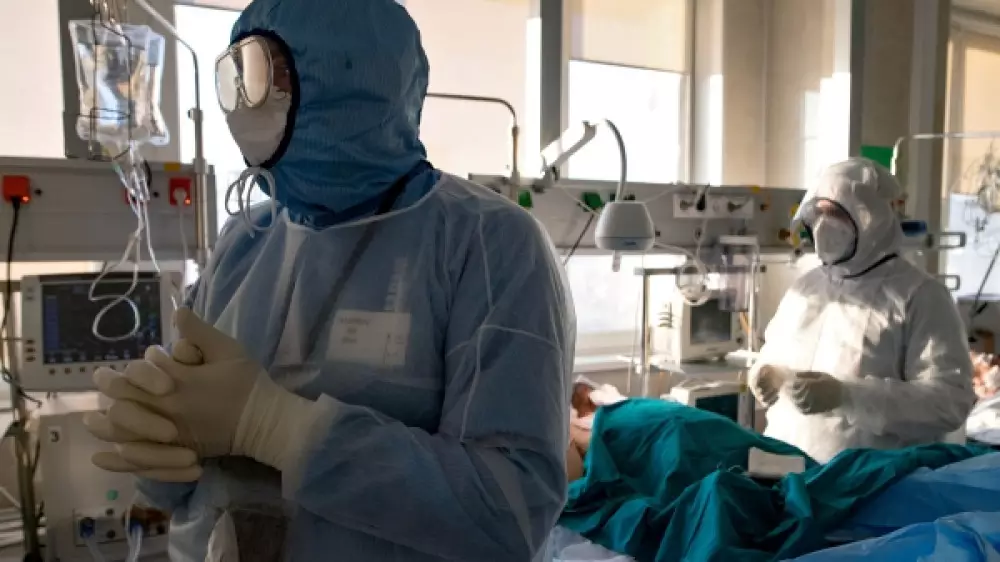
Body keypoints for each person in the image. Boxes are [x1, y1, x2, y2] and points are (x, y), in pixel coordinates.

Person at [81, 0, 575, 560]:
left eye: (265, 75)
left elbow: (511, 512)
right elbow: (191, 446)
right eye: (236, 77)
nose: (245, 103)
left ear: (351, 77)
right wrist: (160, 442)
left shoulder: (488, 244)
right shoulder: (245, 239)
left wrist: (278, 428)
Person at [748, 157, 976, 463]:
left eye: (836, 214)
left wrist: (848, 396)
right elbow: (775, 352)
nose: (824, 224)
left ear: (873, 218)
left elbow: (948, 402)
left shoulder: (920, 296)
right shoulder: (805, 288)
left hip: (869, 481)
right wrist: (765, 372)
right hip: (785, 468)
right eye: (818, 213)